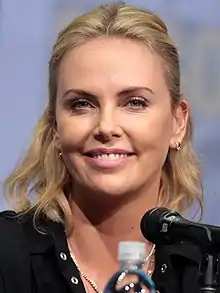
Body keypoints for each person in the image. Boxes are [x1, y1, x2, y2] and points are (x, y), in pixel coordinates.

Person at [0, 2, 205, 293]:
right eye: (81, 104)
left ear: (177, 122)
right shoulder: (8, 256)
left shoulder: (205, 270)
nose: (106, 127)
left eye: (134, 102)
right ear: (55, 126)